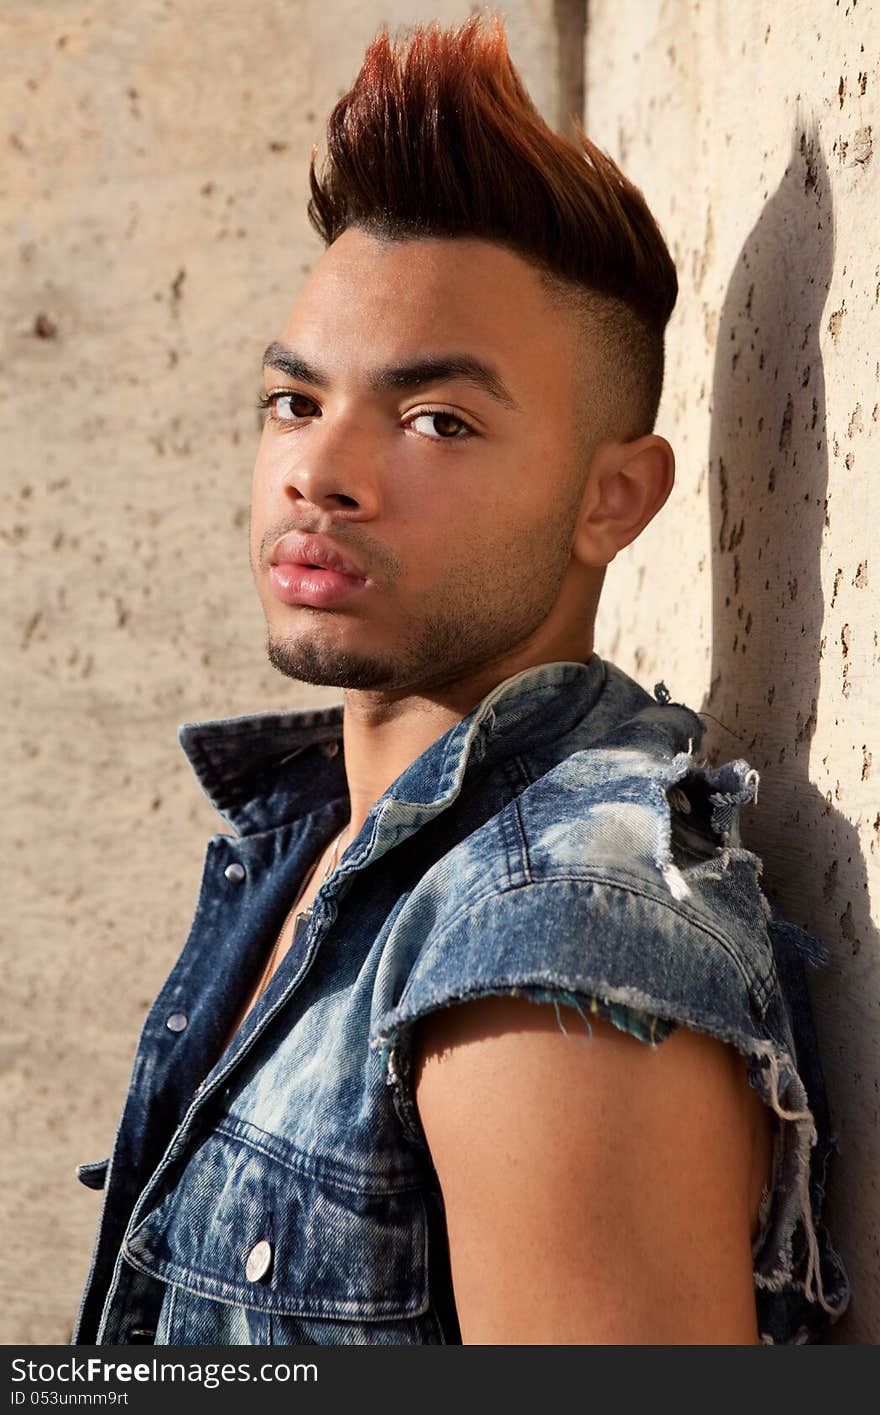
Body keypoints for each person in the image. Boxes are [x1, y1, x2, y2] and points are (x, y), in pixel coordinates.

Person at [72, 13, 849, 1346]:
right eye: (296, 402)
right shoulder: (324, 845)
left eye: (438, 419)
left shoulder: (553, 938)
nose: (322, 471)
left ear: (614, 497)